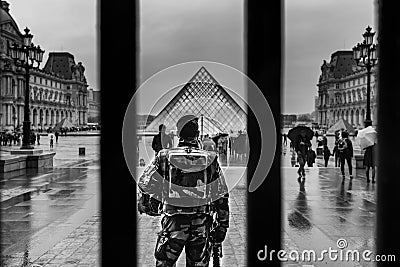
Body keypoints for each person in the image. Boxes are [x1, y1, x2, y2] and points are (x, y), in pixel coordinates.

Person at [138, 115, 229, 267]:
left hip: (173, 222)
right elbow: (221, 195)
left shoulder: (164, 156)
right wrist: (222, 226)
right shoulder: (210, 159)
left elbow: (145, 184)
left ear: (178, 133)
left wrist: (152, 206)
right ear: (197, 134)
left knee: (165, 263)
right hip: (201, 223)